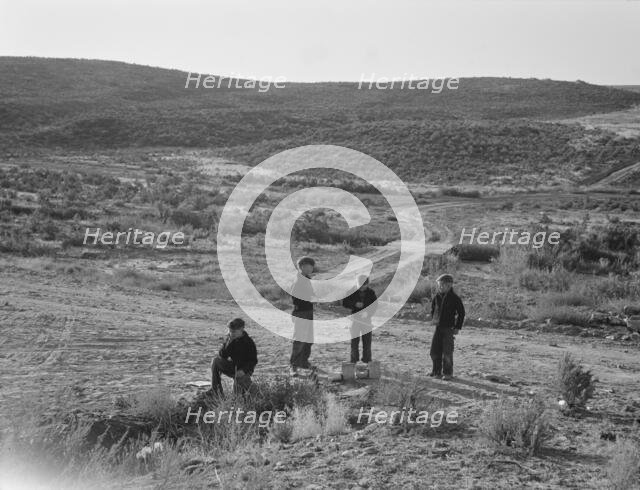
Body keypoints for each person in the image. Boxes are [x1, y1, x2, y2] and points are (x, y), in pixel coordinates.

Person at [429, 274, 465, 380]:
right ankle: (436, 372)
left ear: (449, 285)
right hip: (438, 328)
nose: (440, 286)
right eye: (439, 284)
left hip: (449, 329)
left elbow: (461, 314)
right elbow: (432, 310)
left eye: (442, 285)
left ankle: (448, 373)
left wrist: (457, 327)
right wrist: (434, 320)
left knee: (447, 352)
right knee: (434, 351)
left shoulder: (455, 298)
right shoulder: (437, 297)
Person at [211, 317, 257, 395]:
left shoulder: (249, 342)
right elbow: (222, 355)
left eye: (234, 331)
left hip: (244, 371)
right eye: (230, 331)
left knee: (237, 396)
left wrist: (243, 371)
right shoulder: (230, 338)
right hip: (233, 367)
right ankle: (216, 391)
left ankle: (256, 391)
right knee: (216, 361)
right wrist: (229, 342)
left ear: (241, 329)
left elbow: (253, 361)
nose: (231, 333)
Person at [289, 256, 316, 376]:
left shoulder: (307, 279)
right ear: (301, 267)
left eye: (312, 266)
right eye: (308, 266)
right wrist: (310, 299)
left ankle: (303, 362)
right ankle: (293, 366)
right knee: (299, 340)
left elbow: (311, 294)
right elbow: (296, 299)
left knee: (309, 339)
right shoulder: (298, 281)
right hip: (301, 313)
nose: (310, 268)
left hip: (308, 312)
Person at [342, 275, 377, 364]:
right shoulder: (351, 291)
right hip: (354, 319)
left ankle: (367, 360)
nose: (362, 288)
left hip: (367, 320)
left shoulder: (371, 293)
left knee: (367, 342)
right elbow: (344, 302)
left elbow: (375, 306)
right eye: (360, 285)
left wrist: (368, 313)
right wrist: (354, 304)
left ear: (367, 284)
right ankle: (354, 360)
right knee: (354, 342)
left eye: (364, 286)